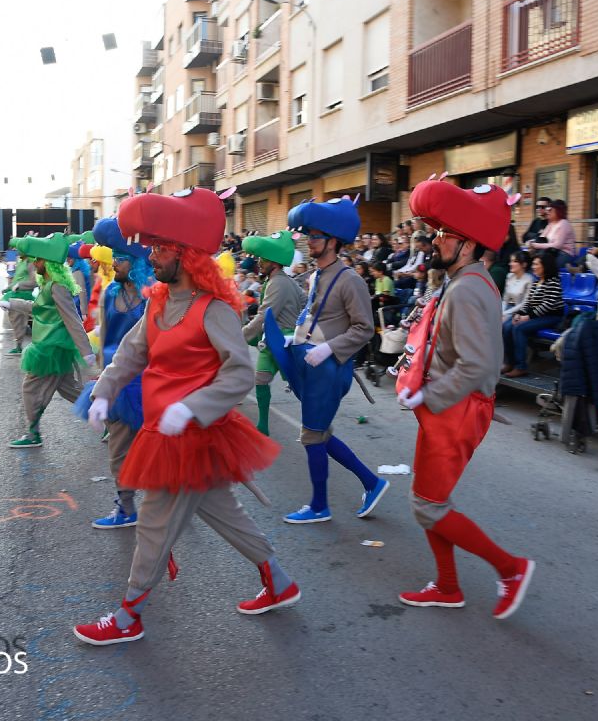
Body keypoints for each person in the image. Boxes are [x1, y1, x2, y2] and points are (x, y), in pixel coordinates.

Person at [77, 188, 297, 646]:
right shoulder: (158, 302)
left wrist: (190, 408)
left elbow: (239, 374)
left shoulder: (214, 309)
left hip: (190, 435)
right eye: (152, 247)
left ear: (185, 255)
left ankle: (128, 616)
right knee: (225, 512)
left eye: (160, 249)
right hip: (165, 430)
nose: (151, 256)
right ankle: (279, 582)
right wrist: (103, 392)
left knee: (154, 523)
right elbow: (130, 355)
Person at [392, 179, 535, 619]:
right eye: (436, 233)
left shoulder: (470, 289)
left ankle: (510, 569)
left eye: (445, 234)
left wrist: (427, 394)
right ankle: (448, 586)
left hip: (457, 409)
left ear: (469, 245)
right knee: (427, 500)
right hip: (444, 406)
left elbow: (476, 367)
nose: (435, 240)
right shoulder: (461, 280)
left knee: (428, 505)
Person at [263, 197, 390, 524]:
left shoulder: (351, 280)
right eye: (309, 236)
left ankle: (319, 505)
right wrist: (294, 338)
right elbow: (313, 316)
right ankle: (372, 483)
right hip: (311, 365)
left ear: (333, 242)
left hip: (331, 370)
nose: (310, 242)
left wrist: (329, 349)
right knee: (319, 435)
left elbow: (364, 329)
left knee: (311, 435)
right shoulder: (316, 276)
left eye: (316, 237)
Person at [76, 217, 154, 529]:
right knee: (119, 449)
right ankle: (126, 508)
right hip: (118, 382)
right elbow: (106, 337)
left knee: (158, 447)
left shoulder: (153, 294)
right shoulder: (110, 293)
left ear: (134, 262)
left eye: (119, 259)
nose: (114, 264)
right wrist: (101, 378)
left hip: (148, 382)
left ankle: (171, 498)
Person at [6, 233, 97, 449]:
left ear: (47, 262)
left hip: (51, 348)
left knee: (30, 388)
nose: (35, 263)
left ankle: (32, 433)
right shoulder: (48, 284)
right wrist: (13, 304)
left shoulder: (57, 287)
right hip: (50, 346)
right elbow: (38, 309)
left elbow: (72, 319)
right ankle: (111, 418)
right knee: (70, 390)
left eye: (38, 259)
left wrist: (86, 350)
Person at [239, 231, 302, 437]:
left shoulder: (279, 283)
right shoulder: (283, 281)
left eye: (263, 259)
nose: (259, 262)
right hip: (272, 341)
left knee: (300, 387)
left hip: (283, 343)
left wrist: (240, 336)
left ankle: (316, 423)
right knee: (261, 379)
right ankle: (263, 425)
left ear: (273, 262)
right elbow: (305, 302)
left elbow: (264, 316)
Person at [501, 253, 562, 378]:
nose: (533, 267)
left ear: (545, 266)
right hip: (536, 315)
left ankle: (521, 366)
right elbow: (528, 303)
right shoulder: (536, 282)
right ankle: (509, 362)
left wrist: (528, 317)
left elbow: (548, 305)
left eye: (536, 264)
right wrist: (519, 314)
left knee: (519, 328)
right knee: (507, 326)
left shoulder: (553, 282)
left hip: (551, 316)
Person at [1, 255, 38, 356]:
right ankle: (19, 346)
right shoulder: (21, 262)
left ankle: (35, 347)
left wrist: (20, 285)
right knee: (16, 321)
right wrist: (8, 288)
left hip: (25, 296)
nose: (18, 250)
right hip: (16, 295)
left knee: (37, 321)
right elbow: (16, 279)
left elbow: (35, 281)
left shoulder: (30, 262)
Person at [526, 200, 576, 269]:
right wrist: (532, 243)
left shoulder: (564, 223)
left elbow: (557, 245)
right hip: (552, 252)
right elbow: (541, 238)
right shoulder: (550, 224)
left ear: (558, 211)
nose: (547, 212)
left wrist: (536, 245)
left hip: (564, 253)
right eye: (547, 210)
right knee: (530, 262)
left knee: (544, 266)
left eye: (550, 210)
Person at [501, 252, 533, 319]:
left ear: (524, 264)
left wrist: (506, 313)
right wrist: (501, 311)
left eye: (515, 261)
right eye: (510, 261)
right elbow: (505, 299)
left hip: (518, 311)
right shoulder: (509, 276)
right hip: (506, 308)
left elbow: (524, 304)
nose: (510, 264)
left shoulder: (529, 280)